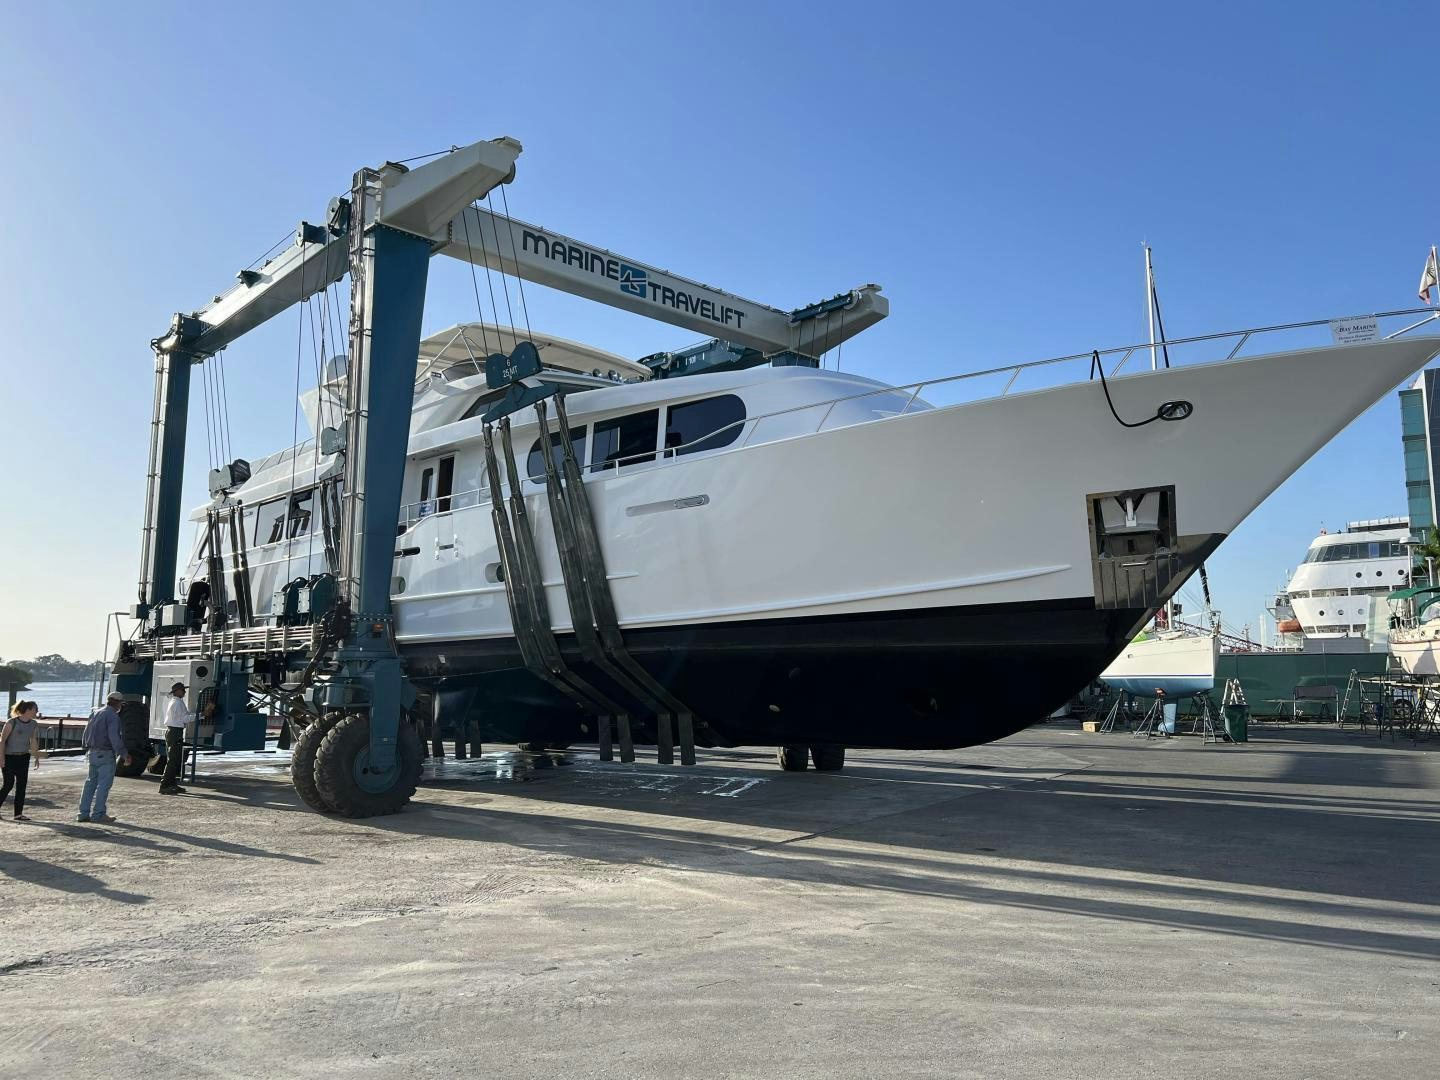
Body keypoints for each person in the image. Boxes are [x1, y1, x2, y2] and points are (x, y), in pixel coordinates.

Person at [79, 692, 131, 824]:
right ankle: (98, 814)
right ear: (118, 703)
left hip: (92, 752)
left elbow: (86, 733)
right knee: (103, 785)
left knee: (90, 783)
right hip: (106, 753)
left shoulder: (96, 712)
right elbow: (114, 737)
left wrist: (86, 748)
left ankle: (83, 813)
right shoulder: (113, 716)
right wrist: (124, 754)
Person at [1, 700, 42, 822]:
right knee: (8, 784)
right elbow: (2, 741)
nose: (37, 711)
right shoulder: (11, 722)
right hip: (9, 757)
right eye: (35, 709)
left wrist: (36, 756)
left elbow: (33, 741)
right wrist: (1, 758)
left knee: (21, 786)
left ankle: (18, 814)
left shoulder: (34, 724)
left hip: (24, 757)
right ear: (28, 710)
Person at [159, 681, 190, 795]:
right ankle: (165, 785)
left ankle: (172, 784)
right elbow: (185, 719)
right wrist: (201, 715)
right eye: (183, 690)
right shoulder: (178, 703)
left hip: (172, 731)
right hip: (175, 731)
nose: (184, 691)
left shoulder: (174, 702)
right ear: (177, 691)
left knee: (174, 759)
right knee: (173, 760)